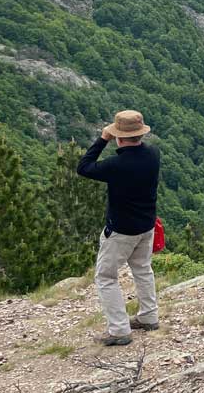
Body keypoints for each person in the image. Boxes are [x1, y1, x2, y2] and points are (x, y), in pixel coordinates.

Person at [77, 109, 161, 346]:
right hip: (147, 226)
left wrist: (102, 139)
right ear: (140, 133)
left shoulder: (115, 165)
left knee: (105, 277)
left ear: (118, 136)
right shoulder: (153, 154)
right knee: (143, 269)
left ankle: (119, 330)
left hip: (121, 230)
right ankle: (148, 316)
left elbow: (83, 167)